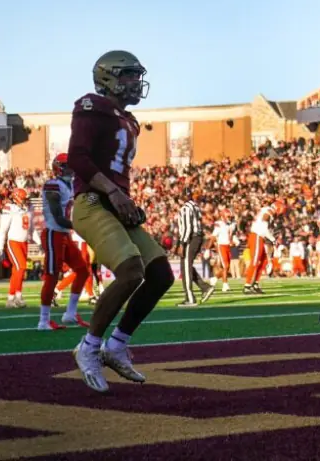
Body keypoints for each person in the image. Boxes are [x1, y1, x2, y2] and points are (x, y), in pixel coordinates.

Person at [67, 50, 174, 394]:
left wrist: (122, 197)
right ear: (108, 78)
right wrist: (114, 194)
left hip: (114, 204)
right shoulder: (92, 107)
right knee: (131, 271)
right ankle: (88, 347)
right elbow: (77, 158)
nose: (134, 83)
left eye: (135, 76)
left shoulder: (128, 120)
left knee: (160, 273)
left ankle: (116, 346)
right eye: (128, 75)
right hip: (93, 203)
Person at [38, 153, 90, 330]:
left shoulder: (71, 185)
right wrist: (81, 226)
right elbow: (58, 217)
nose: (71, 169)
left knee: (82, 270)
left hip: (65, 234)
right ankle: (43, 320)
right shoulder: (53, 185)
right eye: (68, 166)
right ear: (58, 167)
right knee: (52, 276)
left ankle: (70, 313)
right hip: (54, 233)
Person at [0, 188, 35, 308]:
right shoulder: (10, 208)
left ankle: (13, 298)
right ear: (17, 198)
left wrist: (40, 243)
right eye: (24, 199)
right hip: (13, 242)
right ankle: (15, 297)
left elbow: (32, 230)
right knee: (21, 267)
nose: (26, 201)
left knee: (18, 271)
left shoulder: (28, 210)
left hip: (24, 243)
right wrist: (0, 248)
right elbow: (2, 230)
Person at [176, 190, 214, 306]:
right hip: (196, 237)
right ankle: (205, 288)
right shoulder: (195, 207)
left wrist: (182, 244)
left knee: (186, 267)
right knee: (185, 267)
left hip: (191, 238)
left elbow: (187, 228)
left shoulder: (185, 209)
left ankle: (190, 298)